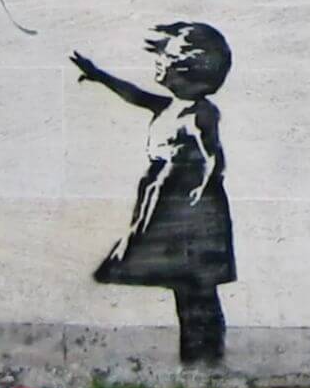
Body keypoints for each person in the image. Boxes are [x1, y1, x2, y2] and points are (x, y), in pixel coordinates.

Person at [71, 22, 235, 364]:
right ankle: (199, 355)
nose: (158, 61)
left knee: (195, 285)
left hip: (188, 203)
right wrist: (99, 75)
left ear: (189, 67)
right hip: (166, 194)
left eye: (167, 56)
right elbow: (134, 94)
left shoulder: (199, 112)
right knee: (186, 283)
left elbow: (213, 156)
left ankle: (205, 355)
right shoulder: (169, 106)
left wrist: (202, 186)